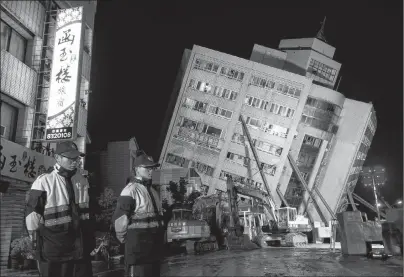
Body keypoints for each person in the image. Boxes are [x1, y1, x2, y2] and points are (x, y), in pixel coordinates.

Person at [25, 141, 95, 277]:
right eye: (70, 158)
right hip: (54, 253)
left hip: (80, 252)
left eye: (77, 158)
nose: (75, 161)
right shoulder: (44, 181)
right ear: (57, 158)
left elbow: (88, 214)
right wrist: (36, 245)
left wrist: (90, 241)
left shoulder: (82, 181)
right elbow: (32, 218)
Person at [112, 149, 164, 277]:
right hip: (138, 254)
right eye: (148, 168)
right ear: (137, 169)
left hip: (153, 252)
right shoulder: (130, 190)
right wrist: (128, 243)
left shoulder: (153, 191)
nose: (151, 171)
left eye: (152, 168)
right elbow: (119, 221)